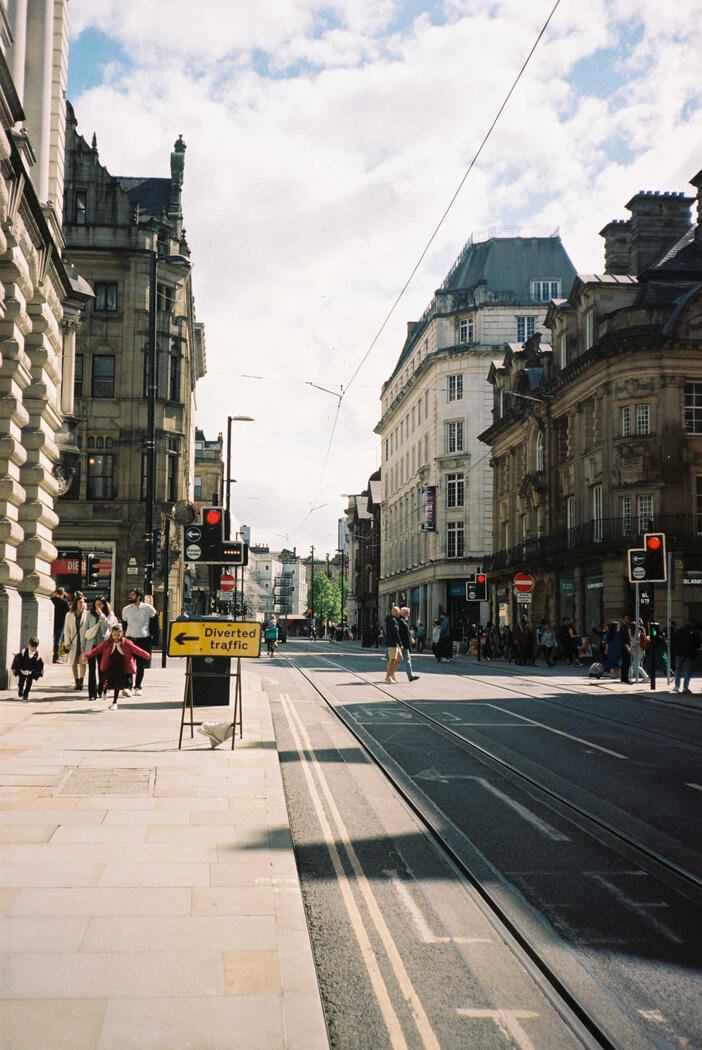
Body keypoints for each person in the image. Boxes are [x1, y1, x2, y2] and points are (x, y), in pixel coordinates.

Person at [86, 625, 150, 710]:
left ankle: (114, 702)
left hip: (120, 667)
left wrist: (146, 655)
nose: (116, 637)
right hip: (109, 665)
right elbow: (97, 649)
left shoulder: (127, 643)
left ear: (122, 634)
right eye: (114, 634)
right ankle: (104, 690)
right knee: (105, 680)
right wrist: (87, 655)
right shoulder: (107, 643)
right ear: (111, 634)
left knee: (118, 684)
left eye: (118, 635)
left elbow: (136, 649)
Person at [121, 588, 157, 696]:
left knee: (141, 665)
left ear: (139, 597)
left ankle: (138, 686)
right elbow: (124, 624)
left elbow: (155, 623)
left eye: (132, 595)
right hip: (130, 639)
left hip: (144, 639)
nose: (130, 596)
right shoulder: (126, 609)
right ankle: (128, 686)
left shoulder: (148, 609)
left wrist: (154, 637)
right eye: (130, 594)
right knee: (128, 663)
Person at [85, 597, 119, 701]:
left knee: (102, 668)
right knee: (91, 668)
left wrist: (102, 615)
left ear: (104, 605)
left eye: (100, 604)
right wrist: (83, 646)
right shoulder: (90, 614)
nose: (98, 606)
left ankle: (101, 690)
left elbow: (110, 626)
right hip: (92, 644)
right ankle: (92, 693)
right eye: (96, 604)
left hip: (103, 645)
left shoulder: (110, 614)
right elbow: (85, 630)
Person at [63, 594, 88, 690]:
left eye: (83, 602)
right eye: (80, 602)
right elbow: (67, 629)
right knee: (73, 662)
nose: (82, 604)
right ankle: (76, 681)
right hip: (73, 642)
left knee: (82, 661)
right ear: (76, 603)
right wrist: (66, 642)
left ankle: (81, 681)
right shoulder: (69, 615)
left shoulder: (87, 614)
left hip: (83, 641)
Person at [672, 618, 700, 695]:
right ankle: (685, 687)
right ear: (693, 624)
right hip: (689, 653)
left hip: (679, 652)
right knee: (687, 670)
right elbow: (698, 643)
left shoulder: (679, 630)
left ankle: (677, 686)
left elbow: (673, 640)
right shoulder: (695, 632)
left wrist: (676, 649)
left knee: (678, 669)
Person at [398, 606, 419, 682]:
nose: (409, 614)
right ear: (405, 613)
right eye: (408, 613)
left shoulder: (401, 620)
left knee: (398, 660)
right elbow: (403, 634)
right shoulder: (402, 621)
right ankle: (410, 676)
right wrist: (409, 640)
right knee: (405, 659)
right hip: (403, 644)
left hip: (402, 644)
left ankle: (390, 675)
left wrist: (410, 639)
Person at [51, 586, 70, 663]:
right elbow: (68, 614)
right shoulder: (65, 603)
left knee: (52, 640)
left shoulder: (52, 600)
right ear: (63, 593)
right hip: (61, 624)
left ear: (56, 593)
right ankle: (55, 657)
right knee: (57, 641)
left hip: (52, 623)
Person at [384, 605, 402, 682]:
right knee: (392, 659)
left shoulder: (393, 619)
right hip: (392, 643)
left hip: (394, 643)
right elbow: (395, 633)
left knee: (399, 658)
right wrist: (400, 643)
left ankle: (391, 674)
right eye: (398, 612)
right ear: (395, 612)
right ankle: (387, 677)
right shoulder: (392, 620)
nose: (399, 613)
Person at [617, 616, 633, 684]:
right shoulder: (624, 627)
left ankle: (623, 678)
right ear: (623, 619)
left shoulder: (624, 627)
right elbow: (624, 640)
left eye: (629, 618)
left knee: (625, 664)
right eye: (626, 618)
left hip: (624, 647)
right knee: (626, 663)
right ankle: (625, 678)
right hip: (625, 648)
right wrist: (628, 648)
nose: (628, 619)